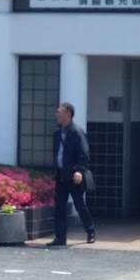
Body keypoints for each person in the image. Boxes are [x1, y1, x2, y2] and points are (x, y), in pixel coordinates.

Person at [47, 102, 95, 247]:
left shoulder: (76, 131)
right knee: (60, 206)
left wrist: (79, 171)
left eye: (60, 112)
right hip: (61, 174)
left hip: (74, 175)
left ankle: (90, 230)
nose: (57, 115)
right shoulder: (57, 133)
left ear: (68, 114)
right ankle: (60, 238)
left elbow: (84, 153)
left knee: (79, 204)